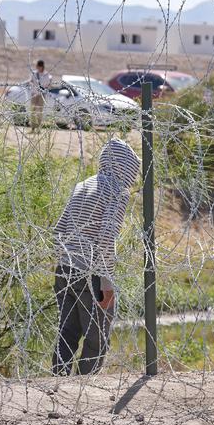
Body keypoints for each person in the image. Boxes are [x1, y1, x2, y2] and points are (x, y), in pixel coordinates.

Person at [52, 139, 140, 376]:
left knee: (67, 332)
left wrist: (67, 257)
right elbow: (106, 238)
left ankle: (58, 383)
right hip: (91, 274)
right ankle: (85, 386)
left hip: (64, 268)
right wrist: (106, 284)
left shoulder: (82, 185)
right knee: (97, 337)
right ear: (127, 166)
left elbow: (59, 230)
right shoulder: (117, 191)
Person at [27, 60, 51, 131]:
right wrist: (32, 84)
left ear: (41, 66)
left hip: (41, 95)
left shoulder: (46, 75)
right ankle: (33, 127)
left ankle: (38, 127)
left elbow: (47, 85)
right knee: (33, 110)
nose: (36, 67)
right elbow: (30, 81)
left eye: (37, 66)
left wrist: (42, 88)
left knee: (40, 111)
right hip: (34, 94)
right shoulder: (34, 73)